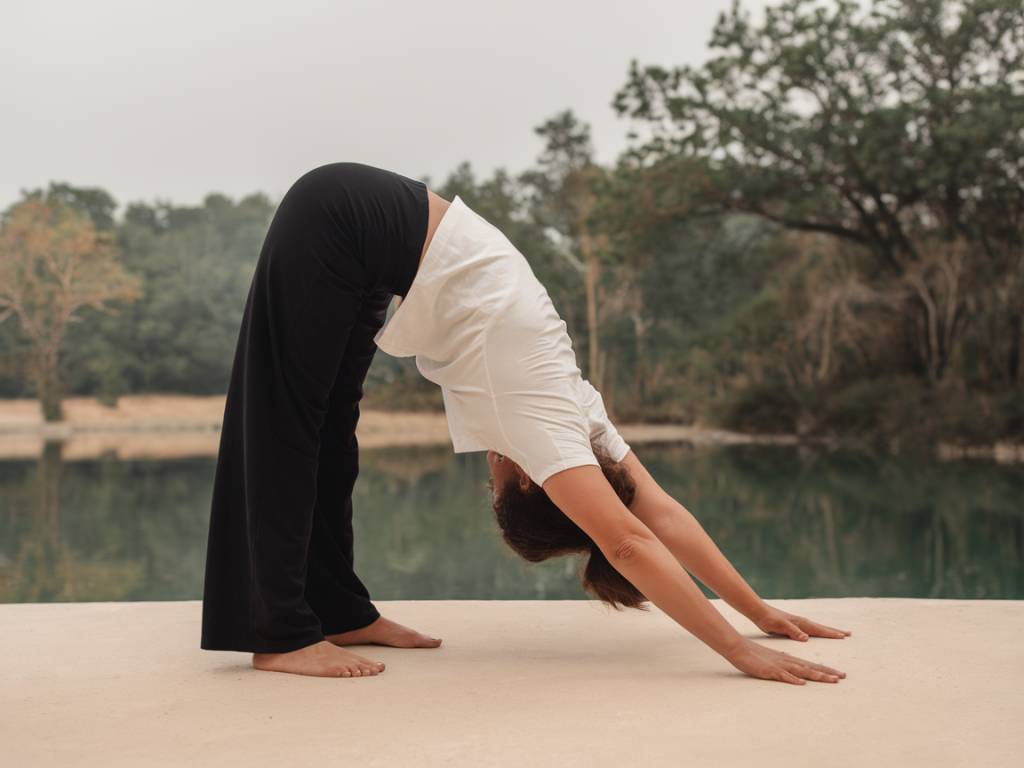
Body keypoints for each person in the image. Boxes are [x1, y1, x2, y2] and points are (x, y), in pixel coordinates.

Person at [202, 161, 852, 684]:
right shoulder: (536, 421)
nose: (490, 476)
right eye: (498, 494)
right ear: (535, 484)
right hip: (338, 219)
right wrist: (741, 648)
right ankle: (281, 634)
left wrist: (759, 611)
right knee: (289, 425)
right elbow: (628, 538)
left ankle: (339, 610)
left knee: (329, 436)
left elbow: (660, 513)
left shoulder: (574, 415)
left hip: (362, 235)